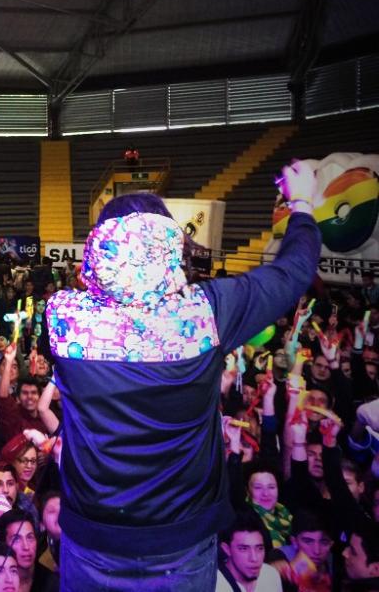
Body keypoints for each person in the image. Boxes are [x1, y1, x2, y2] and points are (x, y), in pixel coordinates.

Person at [46, 160, 322, 590]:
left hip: (92, 539)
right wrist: (301, 203)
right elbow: (294, 271)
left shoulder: (64, 319)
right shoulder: (207, 312)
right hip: (182, 545)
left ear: (99, 247)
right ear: (170, 245)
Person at [216, 510, 283, 592]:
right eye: (244, 549)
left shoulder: (270, 575)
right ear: (227, 549)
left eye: (259, 548)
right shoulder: (214, 585)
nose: (254, 558)